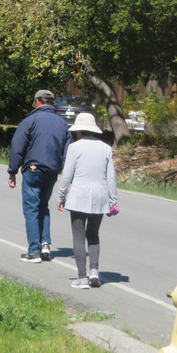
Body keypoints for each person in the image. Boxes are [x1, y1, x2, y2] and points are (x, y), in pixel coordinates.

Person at [7, 89, 70, 263]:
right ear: (52, 103)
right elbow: (67, 153)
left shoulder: (30, 120)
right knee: (43, 206)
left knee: (31, 208)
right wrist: (66, 175)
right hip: (52, 170)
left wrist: (12, 171)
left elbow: (17, 146)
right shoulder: (63, 124)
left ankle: (34, 251)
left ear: (37, 102)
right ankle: (45, 244)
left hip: (33, 168)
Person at [56, 111, 118, 289]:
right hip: (100, 195)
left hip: (79, 195)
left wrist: (61, 196)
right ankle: (94, 271)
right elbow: (111, 177)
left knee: (78, 236)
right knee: (93, 234)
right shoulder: (106, 148)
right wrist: (113, 200)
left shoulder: (75, 147)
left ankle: (82, 277)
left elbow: (67, 175)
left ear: (78, 130)